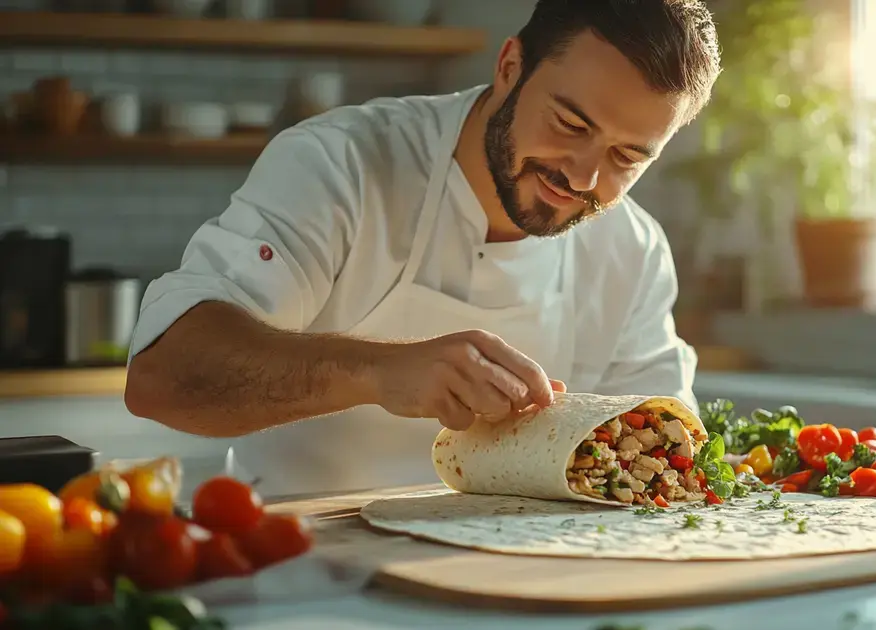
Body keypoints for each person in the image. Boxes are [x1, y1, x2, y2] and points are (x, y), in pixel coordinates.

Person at [124, 0, 722, 497]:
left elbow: (668, 460)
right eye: (570, 124)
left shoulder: (633, 250)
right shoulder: (341, 167)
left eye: (627, 158)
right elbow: (161, 376)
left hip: (524, 567)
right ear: (510, 67)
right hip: (302, 558)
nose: (586, 178)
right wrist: (380, 371)